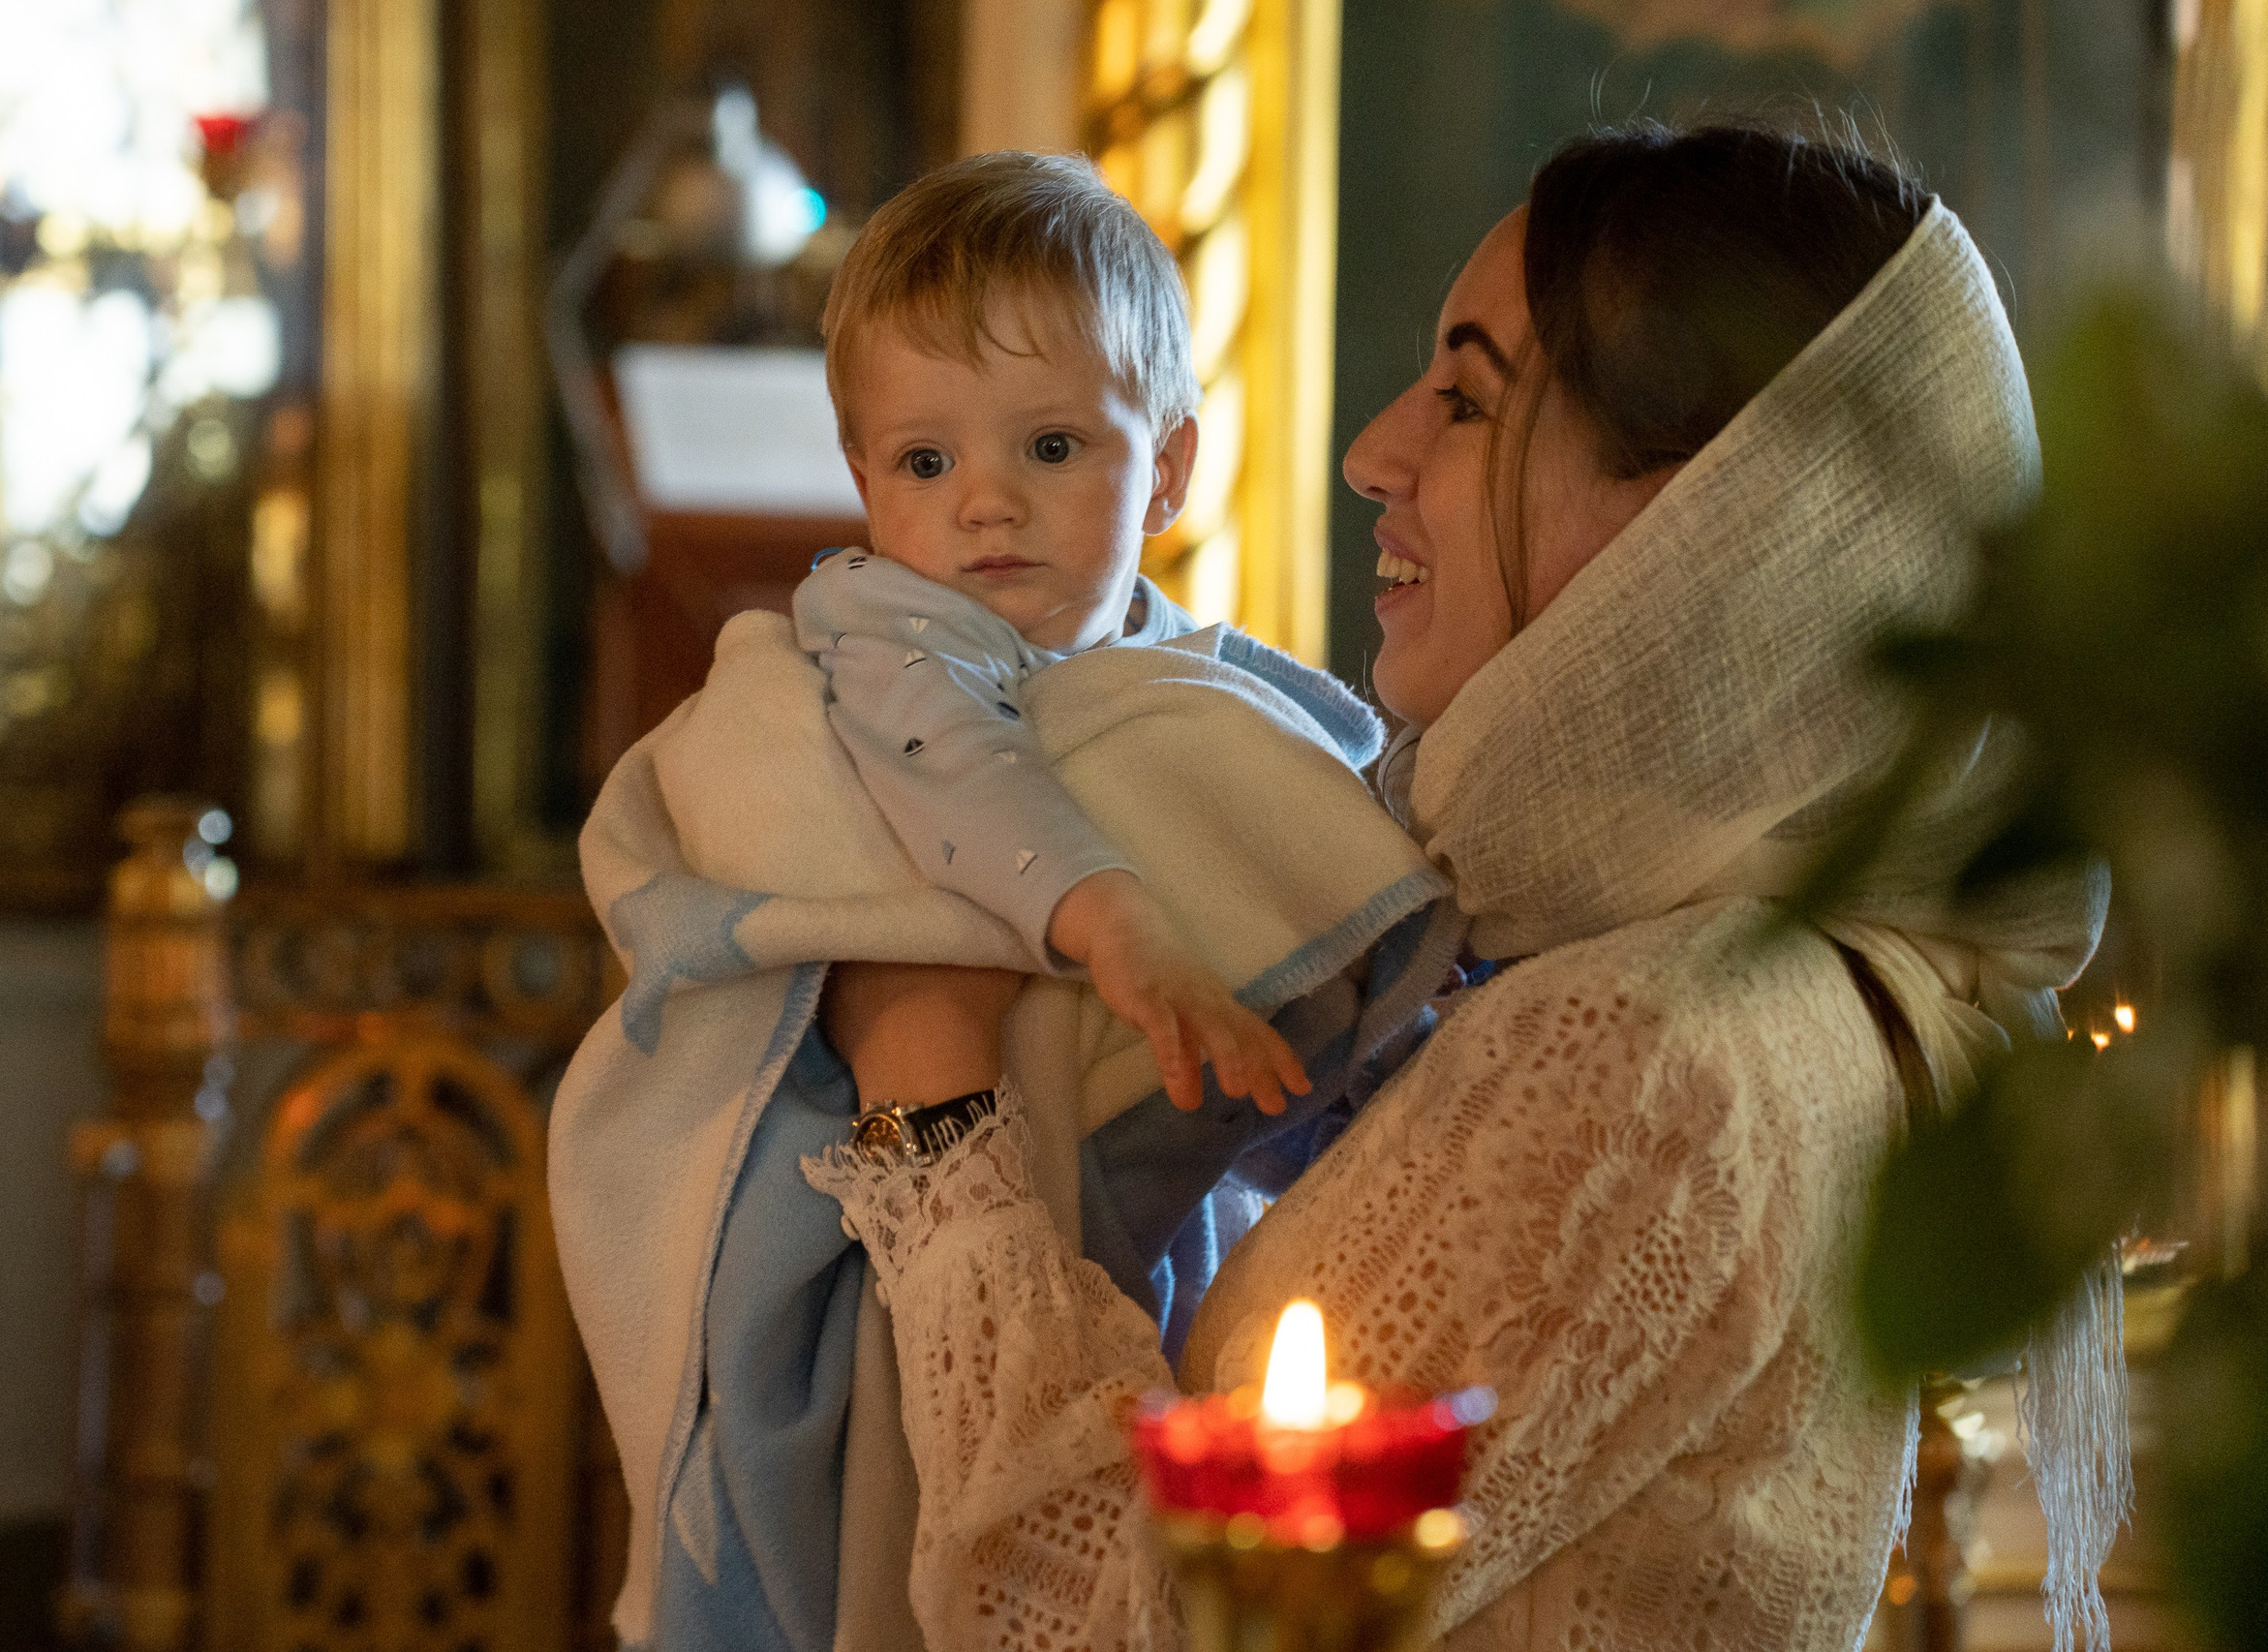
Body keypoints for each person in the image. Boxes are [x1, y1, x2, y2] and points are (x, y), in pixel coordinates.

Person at [806, 122, 2122, 1652]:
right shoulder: (1756, 987)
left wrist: (929, 1087)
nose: (1375, 450)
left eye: (1468, 398)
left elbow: (1113, 1624)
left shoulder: (1639, 1055)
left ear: (1701, 528)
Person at [798, 148, 1310, 1117]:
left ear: (1165, 469)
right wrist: (1124, 926)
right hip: (907, 1146)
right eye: (925, 461)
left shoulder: (1177, 674)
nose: (986, 502)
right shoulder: (880, 621)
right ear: (865, 486)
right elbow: (954, 756)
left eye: (1050, 446)